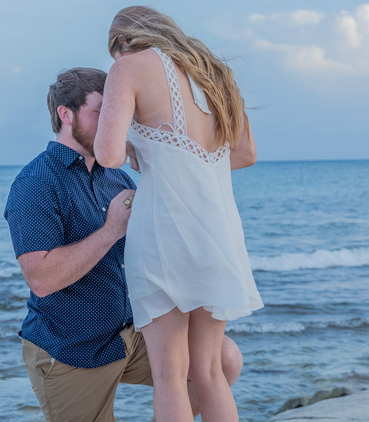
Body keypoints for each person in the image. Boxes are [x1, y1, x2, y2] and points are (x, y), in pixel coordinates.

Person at [4, 67, 243, 422]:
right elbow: (41, 278)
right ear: (65, 115)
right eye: (102, 111)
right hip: (72, 349)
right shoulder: (35, 182)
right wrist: (110, 231)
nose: (114, 121)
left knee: (222, 359)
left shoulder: (116, 176)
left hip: (131, 336)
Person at [93, 6, 264, 422]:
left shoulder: (129, 67)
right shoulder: (215, 72)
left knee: (171, 376)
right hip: (218, 230)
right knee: (208, 371)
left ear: (121, 41)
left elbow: (108, 154)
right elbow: (245, 154)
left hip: (164, 231)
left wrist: (136, 146)